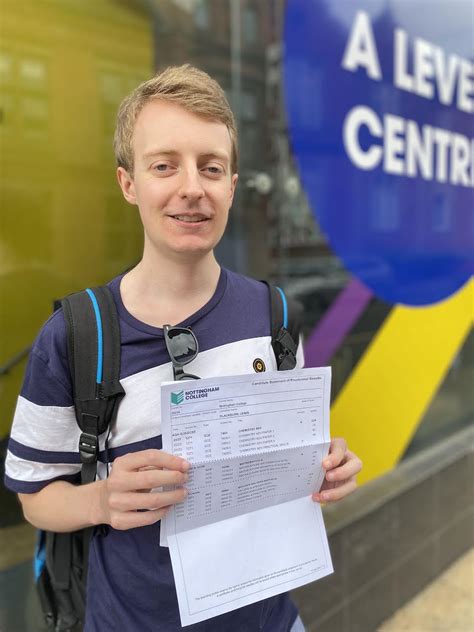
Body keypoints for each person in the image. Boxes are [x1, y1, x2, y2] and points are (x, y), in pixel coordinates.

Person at [5, 65, 362, 631]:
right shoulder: (78, 334)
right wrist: (101, 501)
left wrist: (325, 466)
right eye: (164, 165)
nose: (192, 187)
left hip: (270, 620)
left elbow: (285, 452)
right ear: (129, 184)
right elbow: (34, 496)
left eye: (211, 167)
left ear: (233, 185)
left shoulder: (274, 313)